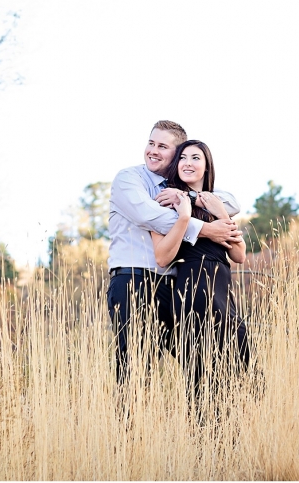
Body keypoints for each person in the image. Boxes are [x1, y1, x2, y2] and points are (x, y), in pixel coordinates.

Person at [107, 121, 242, 383]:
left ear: (177, 155)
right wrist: (206, 229)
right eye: (151, 143)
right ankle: (128, 424)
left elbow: (232, 203)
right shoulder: (129, 178)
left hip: (173, 286)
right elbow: (151, 216)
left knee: (198, 362)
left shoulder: (179, 189)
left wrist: (188, 199)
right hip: (134, 281)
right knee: (134, 370)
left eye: (163, 147)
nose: (153, 151)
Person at [151, 139, 251, 391]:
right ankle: (206, 429)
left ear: (206, 167)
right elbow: (161, 256)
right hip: (192, 292)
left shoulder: (216, 203)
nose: (188, 163)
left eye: (196, 158)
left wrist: (222, 213)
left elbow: (239, 255)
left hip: (223, 293)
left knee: (242, 369)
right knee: (203, 376)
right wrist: (184, 214)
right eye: (183, 157)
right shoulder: (166, 202)